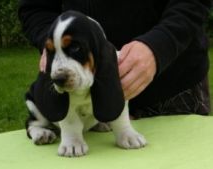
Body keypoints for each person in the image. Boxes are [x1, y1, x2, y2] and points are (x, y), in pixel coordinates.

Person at [18, 0, 212, 118]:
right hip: (83, 99)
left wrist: (159, 46)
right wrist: (52, 40)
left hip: (172, 85)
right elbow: (36, 8)